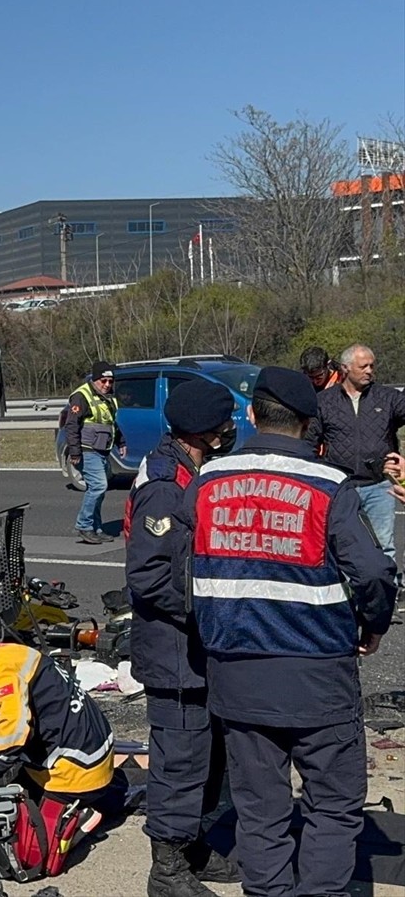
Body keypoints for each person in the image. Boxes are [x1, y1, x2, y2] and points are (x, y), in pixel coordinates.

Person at [180, 366, 399, 897]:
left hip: (235, 672)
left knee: (259, 809)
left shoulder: (208, 481)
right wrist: (373, 624)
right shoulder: (327, 484)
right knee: (334, 802)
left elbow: (185, 571)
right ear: (311, 423)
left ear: (252, 414)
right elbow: (372, 571)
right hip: (316, 671)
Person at [123, 380, 240, 897]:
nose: (231, 432)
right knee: (180, 759)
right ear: (205, 432)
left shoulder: (191, 470)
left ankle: (192, 848)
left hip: (197, 648)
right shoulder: (166, 484)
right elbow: (149, 577)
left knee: (210, 754)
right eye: (224, 425)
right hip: (174, 648)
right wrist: (209, 610)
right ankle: (167, 870)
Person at [0, 639, 114, 877]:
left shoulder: (1, 673)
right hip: (86, 750)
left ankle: (80, 816)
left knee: (34, 857)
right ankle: (86, 799)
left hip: (77, 766)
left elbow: (14, 732)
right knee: (8, 789)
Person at [304, 343, 405, 560]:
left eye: (372, 365)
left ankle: (389, 591)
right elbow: (310, 442)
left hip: (379, 485)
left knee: (384, 546)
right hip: (341, 487)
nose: (370, 370)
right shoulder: (324, 401)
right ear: (346, 368)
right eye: (363, 366)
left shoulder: (388, 398)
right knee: (341, 545)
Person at [67, 361, 127, 544]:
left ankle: (96, 528)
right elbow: (72, 426)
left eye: (110, 381)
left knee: (99, 490)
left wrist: (121, 442)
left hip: (102, 450)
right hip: (87, 450)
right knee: (99, 486)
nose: (107, 385)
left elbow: (111, 424)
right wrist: (75, 453)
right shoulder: (81, 396)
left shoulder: (109, 398)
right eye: (103, 381)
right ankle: (84, 525)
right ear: (95, 380)